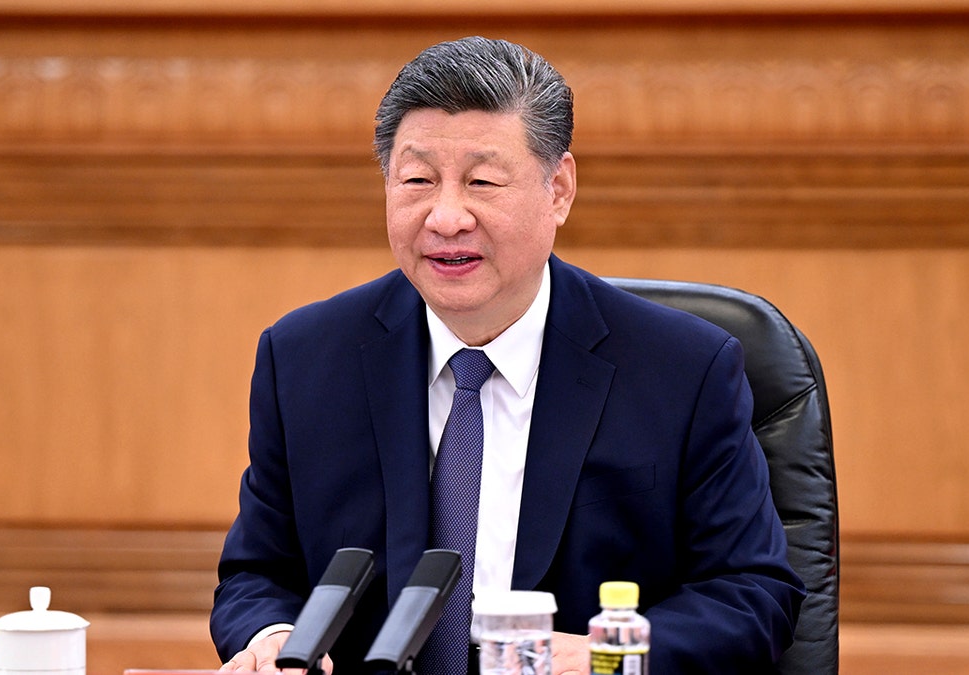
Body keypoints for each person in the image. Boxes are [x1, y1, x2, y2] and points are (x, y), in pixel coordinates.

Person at [211, 36, 804, 674]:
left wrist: (607, 653)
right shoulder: (303, 359)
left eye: (482, 182)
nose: (444, 217)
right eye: (417, 180)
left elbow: (753, 594)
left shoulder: (684, 369)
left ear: (559, 190)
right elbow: (258, 572)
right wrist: (272, 635)